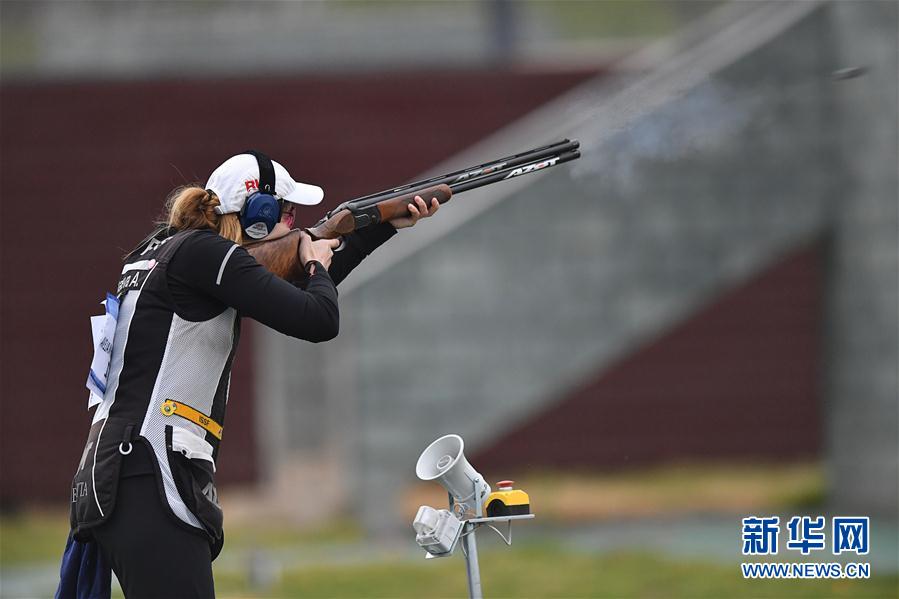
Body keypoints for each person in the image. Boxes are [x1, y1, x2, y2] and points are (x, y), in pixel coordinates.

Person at [62, 151, 439, 598]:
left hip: (119, 474)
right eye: (288, 212)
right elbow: (318, 317)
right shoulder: (206, 255)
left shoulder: (167, 249)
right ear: (258, 216)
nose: (295, 222)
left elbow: (293, 290)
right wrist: (316, 261)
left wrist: (382, 226)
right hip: (148, 475)